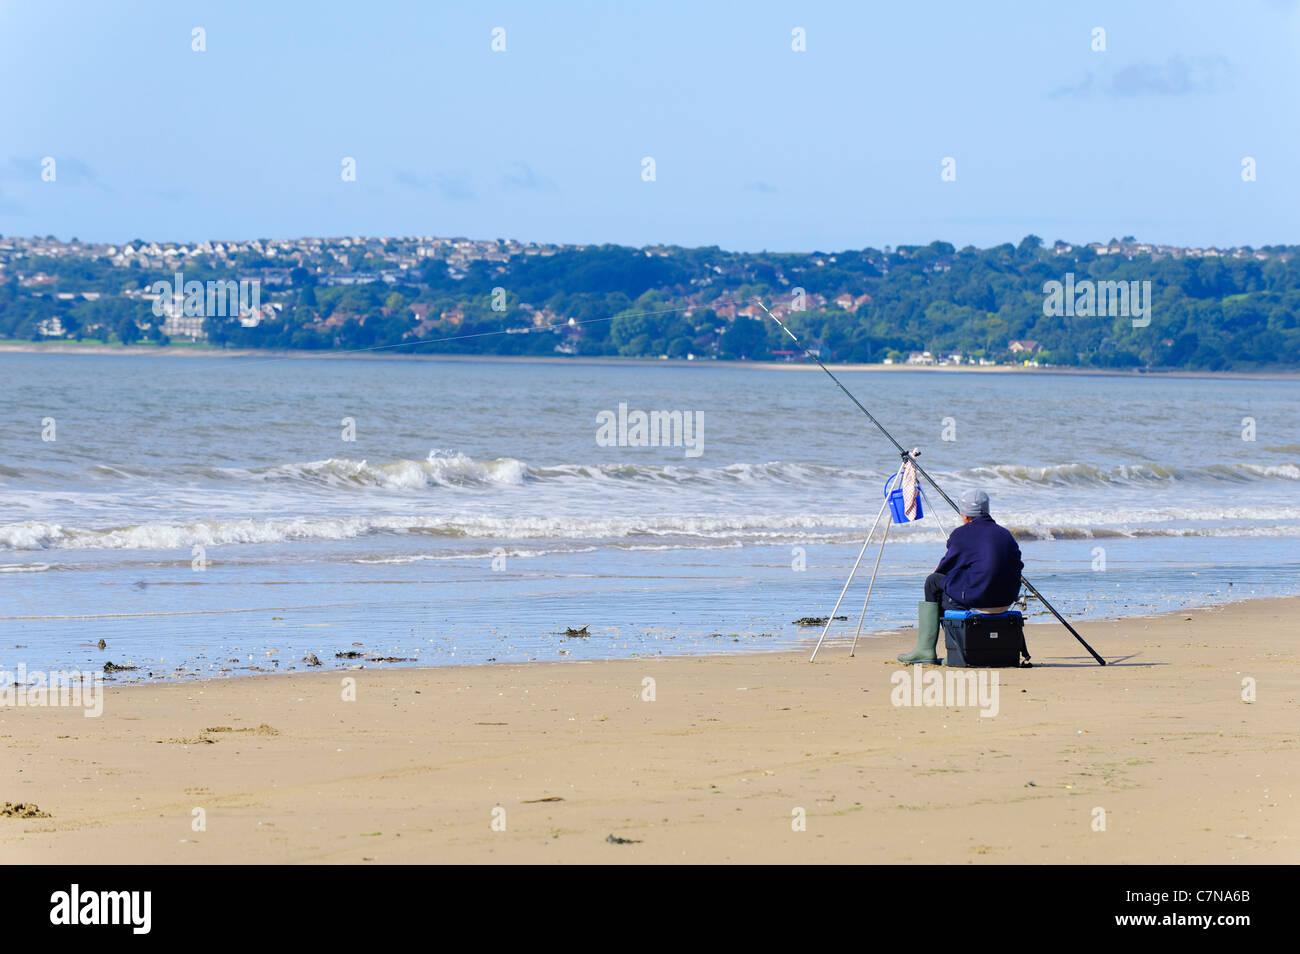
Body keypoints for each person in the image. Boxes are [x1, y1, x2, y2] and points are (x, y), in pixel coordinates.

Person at [898, 488, 1023, 664]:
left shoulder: (961, 534)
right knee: (961, 580)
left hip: (981, 599)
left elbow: (942, 570)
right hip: (1006, 599)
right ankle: (957, 644)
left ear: (963, 514)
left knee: (933, 582)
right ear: (987, 510)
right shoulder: (1005, 533)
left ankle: (930, 649)